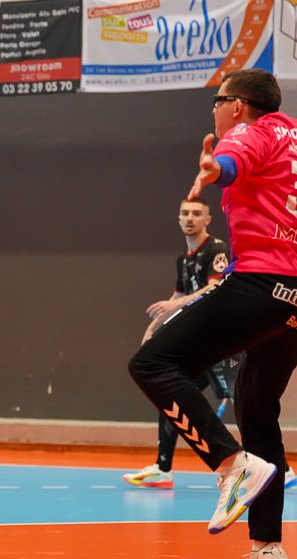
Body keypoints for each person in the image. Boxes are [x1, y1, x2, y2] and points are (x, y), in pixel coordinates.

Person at [129, 68, 297, 559]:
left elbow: (233, 159)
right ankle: (266, 549)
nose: (215, 110)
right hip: (294, 300)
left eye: (218, 102)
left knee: (152, 363)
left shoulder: (252, 130)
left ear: (238, 105)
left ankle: (230, 466)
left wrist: (215, 166)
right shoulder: (294, 138)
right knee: (256, 409)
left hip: (264, 282)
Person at [123, 200, 297, 490]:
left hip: (223, 339)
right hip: (203, 336)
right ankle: (163, 467)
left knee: (250, 405)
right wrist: (157, 325)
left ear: (208, 219)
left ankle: (274, 469)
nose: (190, 218)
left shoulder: (216, 250)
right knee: (173, 393)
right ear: (178, 218)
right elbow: (179, 295)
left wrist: (175, 306)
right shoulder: (184, 259)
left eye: (196, 213)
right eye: (185, 213)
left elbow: (218, 288)